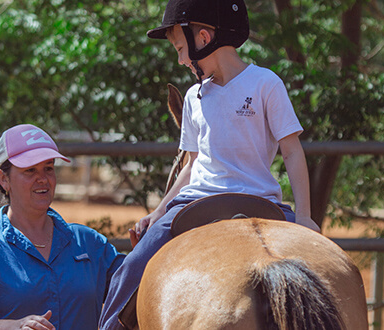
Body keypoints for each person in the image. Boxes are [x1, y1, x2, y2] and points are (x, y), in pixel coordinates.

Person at [99, 0, 320, 328]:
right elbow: (191, 165)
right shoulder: (193, 98)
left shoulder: (266, 84)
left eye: (179, 48)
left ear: (203, 37)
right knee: (130, 269)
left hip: (261, 202)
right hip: (195, 201)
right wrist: (158, 212)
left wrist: (304, 217)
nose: (180, 60)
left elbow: (291, 151)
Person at [0, 124, 125, 330]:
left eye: (48, 168)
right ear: (3, 180)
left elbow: (135, 288)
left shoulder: (89, 242)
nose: (43, 179)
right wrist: (14, 326)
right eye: (30, 170)